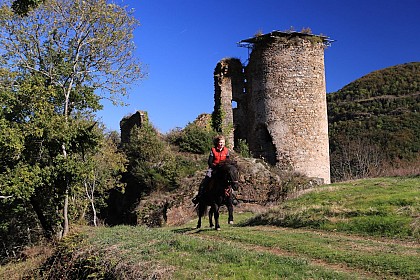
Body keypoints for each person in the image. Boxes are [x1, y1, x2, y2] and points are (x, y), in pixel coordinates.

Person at [192, 135, 230, 204]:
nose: (221, 144)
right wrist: (214, 166)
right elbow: (210, 161)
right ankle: (199, 195)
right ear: (217, 143)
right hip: (214, 168)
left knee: (230, 178)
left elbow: (228, 161)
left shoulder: (226, 151)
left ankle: (232, 197)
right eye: (220, 142)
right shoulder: (213, 150)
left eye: (223, 142)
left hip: (222, 169)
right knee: (207, 178)